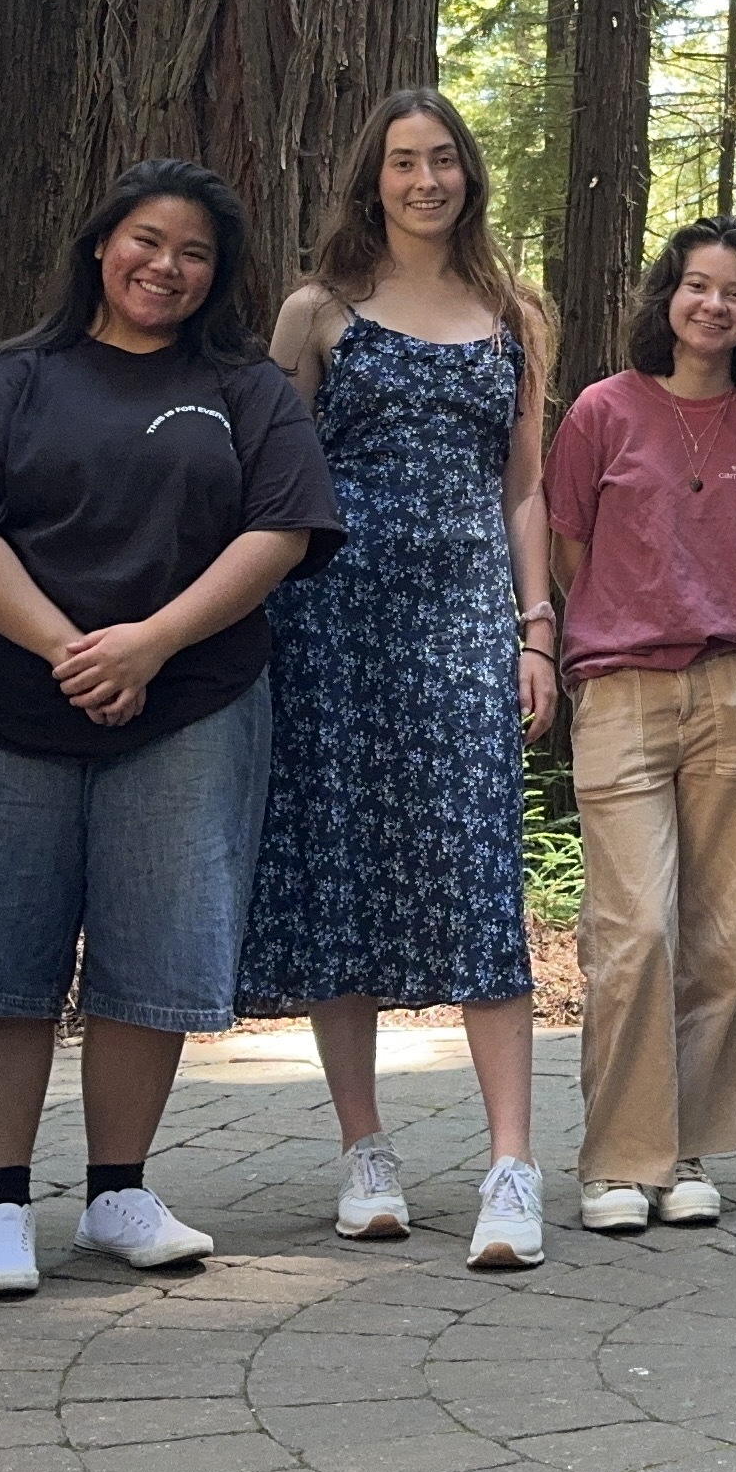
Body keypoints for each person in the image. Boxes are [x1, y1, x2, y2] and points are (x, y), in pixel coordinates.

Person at [0, 161, 342, 1298]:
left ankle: (118, 1192)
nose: (167, 267)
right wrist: (69, 649)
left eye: (194, 253)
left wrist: (151, 645)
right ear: (101, 244)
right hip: (2, 702)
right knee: (1, 956)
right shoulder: (11, 379)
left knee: (154, 950)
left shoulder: (245, 390)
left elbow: (281, 529)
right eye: (147, 241)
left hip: (188, 705)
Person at [242, 90, 562, 1271]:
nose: (425, 180)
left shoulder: (514, 313)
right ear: (372, 181)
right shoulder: (319, 312)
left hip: (462, 627)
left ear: (469, 176)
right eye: (402, 163)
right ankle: (365, 1150)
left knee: (479, 878)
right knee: (342, 878)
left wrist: (537, 629)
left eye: (443, 161)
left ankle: (510, 1165)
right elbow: (273, 472)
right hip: (330, 627)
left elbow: (522, 485)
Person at [543, 220, 736, 1232]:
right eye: (696, 286)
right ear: (667, 298)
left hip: (730, 690)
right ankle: (618, 1159)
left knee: (720, 937)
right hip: (618, 687)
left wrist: (717, 634)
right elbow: (569, 547)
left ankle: (688, 1150)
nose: (713, 306)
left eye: (735, 293)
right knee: (636, 929)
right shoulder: (604, 411)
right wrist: (627, 623)